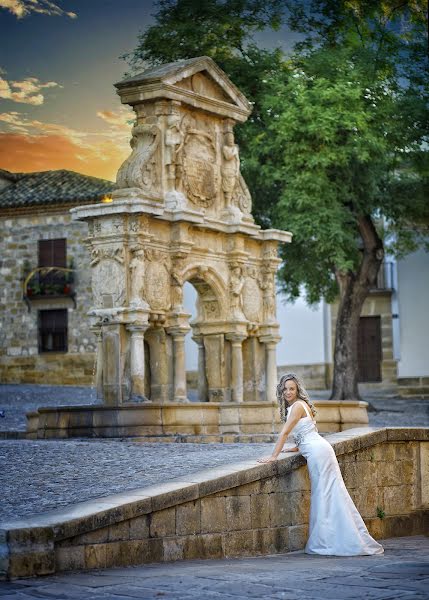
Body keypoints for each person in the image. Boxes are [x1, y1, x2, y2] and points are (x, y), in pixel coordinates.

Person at [257, 373, 384, 556]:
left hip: (319, 454)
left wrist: (273, 456)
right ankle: (341, 537)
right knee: (331, 494)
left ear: (297, 389)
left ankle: (332, 541)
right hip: (321, 450)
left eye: (291, 388)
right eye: (285, 388)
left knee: (325, 495)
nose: (288, 392)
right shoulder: (301, 405)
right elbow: (309, 432)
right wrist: (295, 448)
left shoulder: (297, 406)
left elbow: (285, 433)